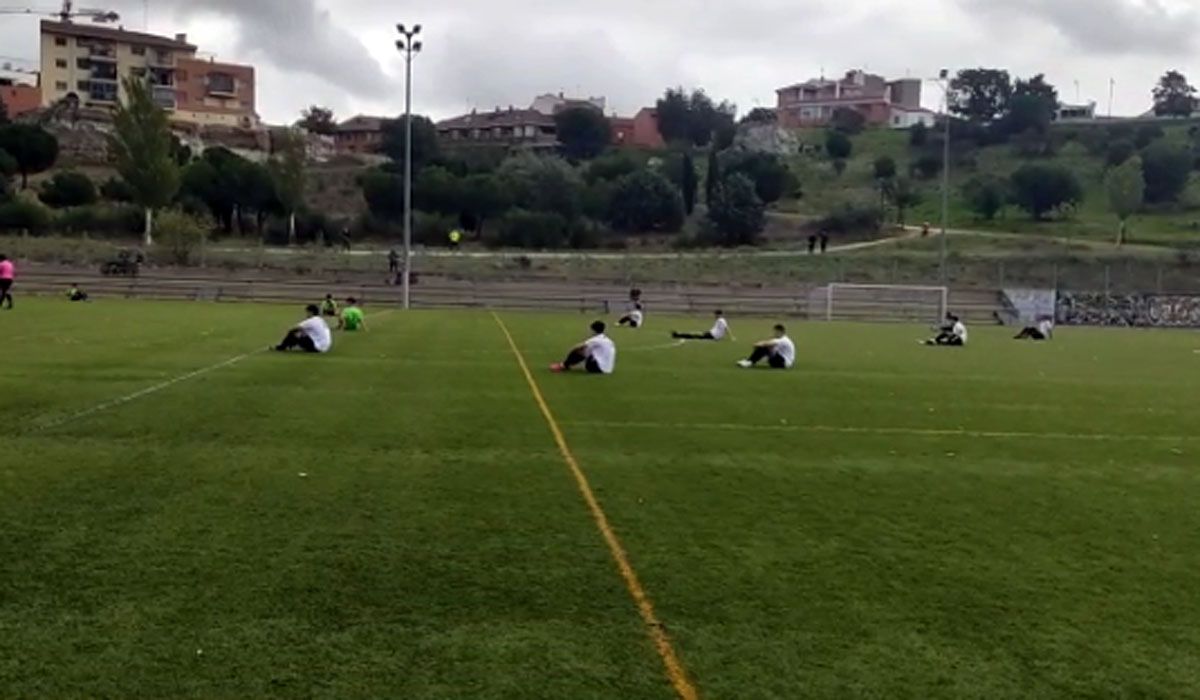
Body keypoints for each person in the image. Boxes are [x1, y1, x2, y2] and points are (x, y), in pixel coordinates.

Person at [550, 321, 616, 375]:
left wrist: (571, 352)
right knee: (588, 350)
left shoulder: (595, 339)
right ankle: (565, 365)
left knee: (580, 350)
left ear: (593, 330)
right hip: (608, 369)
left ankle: (563, 366)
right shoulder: (608, 340)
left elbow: (578, 347)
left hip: (597, 368)